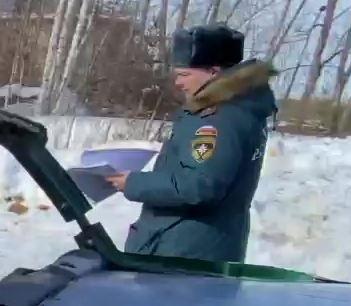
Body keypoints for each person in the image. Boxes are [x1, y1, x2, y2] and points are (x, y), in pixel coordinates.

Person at [108, 25, 276, 263]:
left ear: (214, 72)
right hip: (193, 245)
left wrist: (133, 182)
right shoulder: (234, 108)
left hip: (183, 251)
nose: (177, 82)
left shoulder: (220, 117)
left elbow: (199, 186)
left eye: (184, 74)